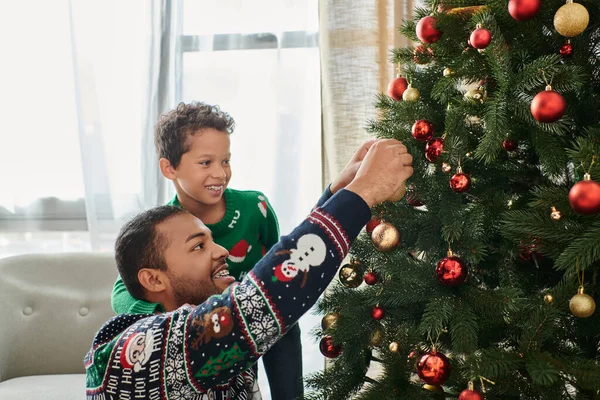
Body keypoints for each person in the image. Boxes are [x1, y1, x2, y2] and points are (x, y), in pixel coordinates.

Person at [85, 139, 413, 400]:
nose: (223, 250)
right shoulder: (143, 349)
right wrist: (363, 192)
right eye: (199, 246)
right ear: (154, 279)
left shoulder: (212, 348)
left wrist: (335, 195)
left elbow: (270, 277)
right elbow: (261, 299)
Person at [110, 102, 302, 398]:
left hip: (257, 316)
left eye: (225, 161)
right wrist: (173, 311)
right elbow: (122, 292)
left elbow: (276, 268)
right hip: (205, 332)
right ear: (169, 168)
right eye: (205, 163)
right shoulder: (162, 228)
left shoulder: (256, 208)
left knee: (285, 325)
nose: (221, 173)